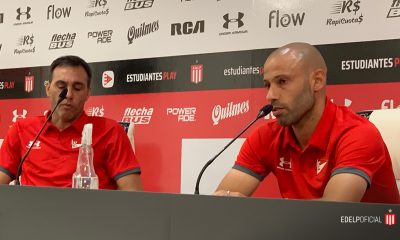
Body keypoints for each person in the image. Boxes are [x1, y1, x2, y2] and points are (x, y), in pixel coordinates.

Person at [214, 42, 400, 203]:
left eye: (282, 81)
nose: (270, 95)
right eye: (268, 85)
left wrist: (252, 212)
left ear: (317, 81)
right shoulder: (266, 136)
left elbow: (333, 214)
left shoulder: (358, 134)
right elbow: (222, 203)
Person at [0, 55, 142, 191]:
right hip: (32, 213)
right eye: (61, 86)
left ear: (88, 93)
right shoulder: (22, 128)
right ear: (48, 89)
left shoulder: (110, 131)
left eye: (77, 88)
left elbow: (133, 194)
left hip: (89, 214)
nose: (68, 95)